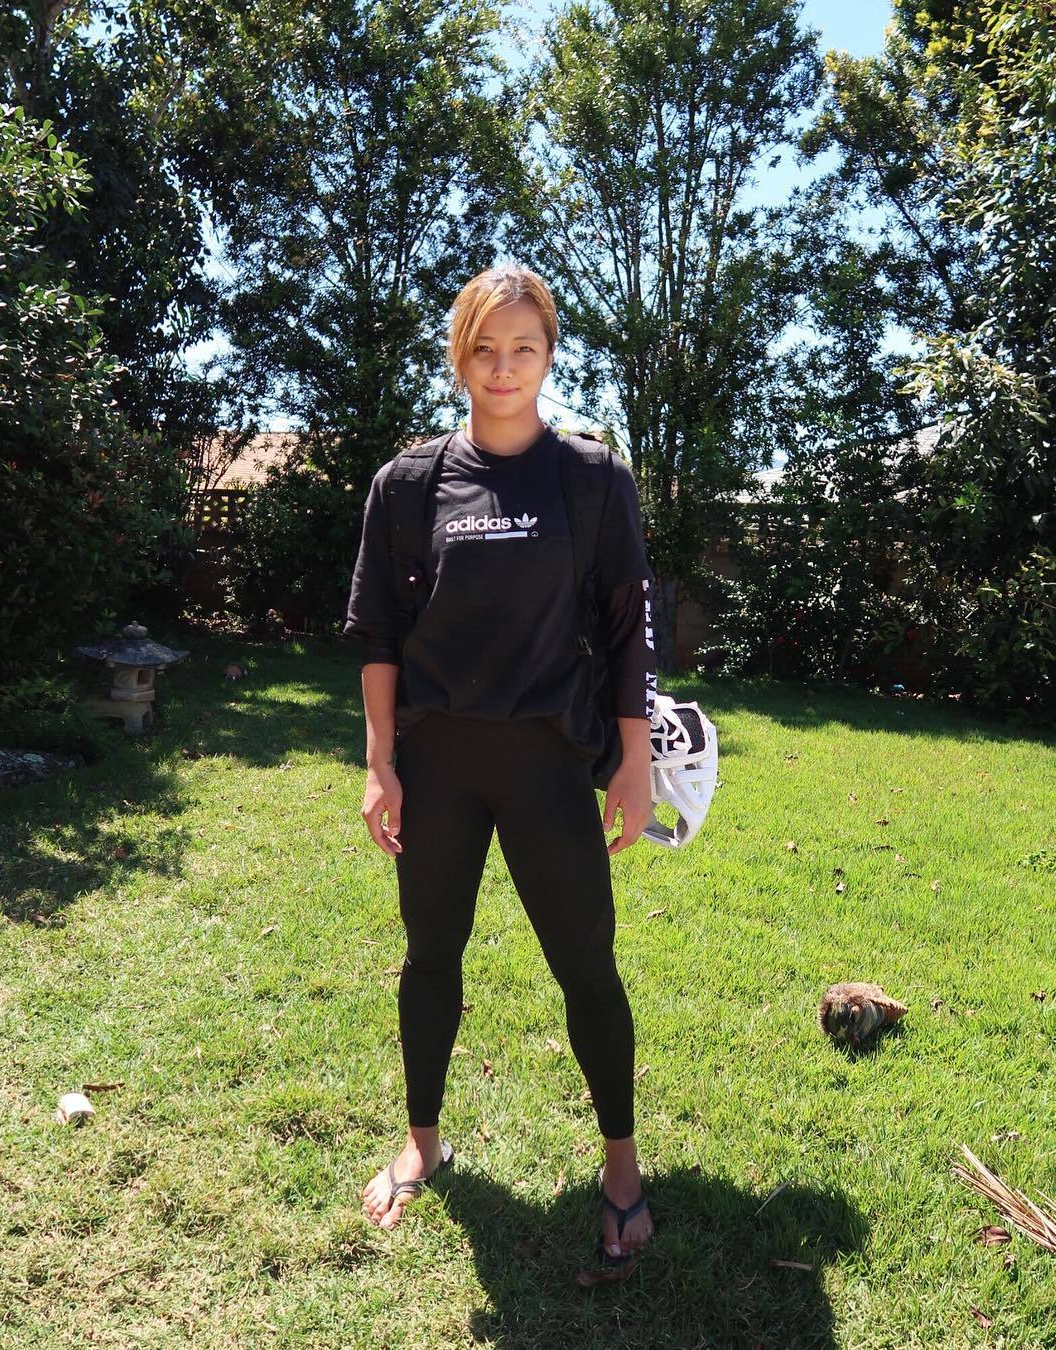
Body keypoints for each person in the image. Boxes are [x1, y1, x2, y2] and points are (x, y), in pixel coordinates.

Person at [345, 263, 656, 1265]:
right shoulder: (408, 485)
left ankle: (620, 1164)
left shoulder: (593, 480)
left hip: (547, 764)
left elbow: (628, 627)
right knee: (430, 955)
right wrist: (380, 763)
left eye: (524, 347)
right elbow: (379, 636)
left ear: (550, 354)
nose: (504, 367)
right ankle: (422, 1140)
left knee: (588, 965)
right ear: (460, 357)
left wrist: (636, 761)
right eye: (485, 348)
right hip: (437, 764)